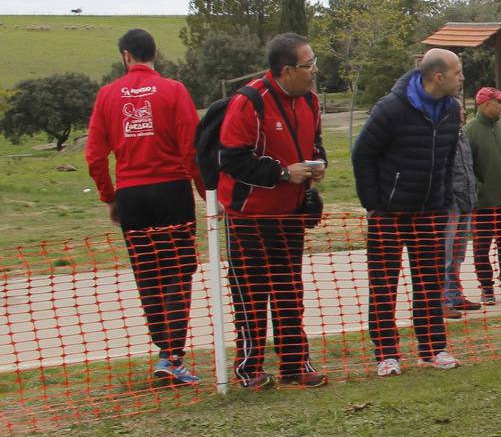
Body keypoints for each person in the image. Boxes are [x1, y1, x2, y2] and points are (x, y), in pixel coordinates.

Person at [84, 28, 203, 385]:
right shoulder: (174, 90)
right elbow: (191, 148)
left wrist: (110, 196)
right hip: (171, 191)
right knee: (178, 272)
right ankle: (172, 355)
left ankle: (163, 350)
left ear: (125, 56)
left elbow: (94, 156)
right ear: (155, 54)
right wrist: (203, 190)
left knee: (147, 273)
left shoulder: (107, 95)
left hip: (132, 195)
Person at [217, 33, 328, 390]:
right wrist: (282, 172)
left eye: (313, 63)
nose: (314, 71)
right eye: (308, 65)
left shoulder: (310, 100)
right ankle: (249, 369)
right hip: (248, 217)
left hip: (290, 214)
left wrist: (318, 164)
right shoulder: (249, 101)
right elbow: (232, 160)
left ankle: (296, 364)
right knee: (250, 293)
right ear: (285, 70)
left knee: (289, 291)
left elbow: (317, 144)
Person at [353, 49, 464, 377]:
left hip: (431, 212)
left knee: (430, 282)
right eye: (457, 73)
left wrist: (443, 202)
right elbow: (362, 154)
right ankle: (386, 354)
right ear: (438, 77)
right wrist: (375, 204)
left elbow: (446, 159)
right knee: (384, 285)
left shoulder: (451, 110)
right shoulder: (390, 109)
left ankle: (433, 348)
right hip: (389, 214)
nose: (462, 78)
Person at [466, 86, 501, 305]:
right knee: (482, 248)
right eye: (499, 102)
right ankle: (486, 288)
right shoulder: (470, 130)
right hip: (483, 204)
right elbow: (467, 167)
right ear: (486, 104)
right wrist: (479, 190)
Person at [442, 98, 480, 319]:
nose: (464, 112)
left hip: (467, 199)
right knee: (444, 253)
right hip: (450, 203)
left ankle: (455, 295)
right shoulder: (442, 138)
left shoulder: (461, 135)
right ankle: (441, 300)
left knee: (457, 254)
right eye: (460, 110)